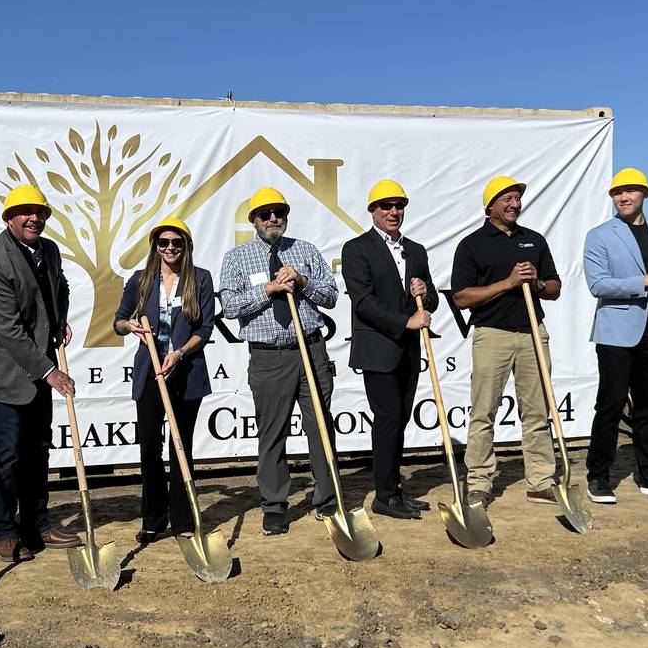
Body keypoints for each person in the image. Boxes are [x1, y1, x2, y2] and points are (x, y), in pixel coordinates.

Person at [0, 183, 83, 563]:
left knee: (37, 449)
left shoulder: (48, 250)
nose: (34, 218)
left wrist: (58, 317)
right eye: (25, 212)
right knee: (7, 453)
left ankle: (37, 523)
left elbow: (58, 285)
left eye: (40, 212)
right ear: (9, 218)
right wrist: (49, 371)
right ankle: (4, 531)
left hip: (35, 370)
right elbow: (7, 329)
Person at [218, 187, 340, 537]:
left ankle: (327, 499)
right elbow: (229, 307)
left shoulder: (304, 250)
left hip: (311, 350)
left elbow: (331, 297)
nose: (273, 219)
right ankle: (274, 506)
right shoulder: (237, 258)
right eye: (265, 214)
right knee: (273, 433)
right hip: (270, 356)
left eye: (279, 213)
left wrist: (302, 281)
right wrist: (268, 290)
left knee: (320, 426)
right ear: (254, 220)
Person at [449, 175, 562, 509]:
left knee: (537, 412)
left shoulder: (534, 241)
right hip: (492, 335)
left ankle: (540, 482)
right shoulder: (472, 244)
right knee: (484, 412)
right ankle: (479, 483)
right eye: (507, 199)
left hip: (532, 333)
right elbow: (462, 297)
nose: (514, 204)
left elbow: (555, 288)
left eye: (517, 199)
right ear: (490, 206)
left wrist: (537, 283)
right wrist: (508, 283)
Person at [582, 167, 648, 503]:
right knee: (610, 405)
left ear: (645, 194)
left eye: (630, 191)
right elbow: (597, 284)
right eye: (617, 193)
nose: (623, 198)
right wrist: (643, 282)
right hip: (616, 334)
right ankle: (598, 476)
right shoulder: (600, 236)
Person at [112, 217, 217, 542]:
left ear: (186, 246)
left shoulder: (199, 279)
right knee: (149, 450)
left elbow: (205, 328)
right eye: (164, 243)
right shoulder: (140, 281)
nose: (170, 248)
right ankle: (153, 519)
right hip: (151, 374)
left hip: (185, 372)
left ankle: (183, 519)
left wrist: (180, 353)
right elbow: (118, 321)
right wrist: (131, 327)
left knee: (180, 448)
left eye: (177, 243)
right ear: (155, 246)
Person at [341, 179, 439, 520]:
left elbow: (433, 301)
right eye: (386, 206)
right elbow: (363, 302)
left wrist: (424, 292)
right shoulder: (357, 249)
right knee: (387, 419)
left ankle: (395, 490)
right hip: (378, 349)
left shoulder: (416, 250)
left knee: (399, 420)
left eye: (399, 206)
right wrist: (405, 322)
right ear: (372, 211)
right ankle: (383, 496)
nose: (393, 212)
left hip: (409, 352)